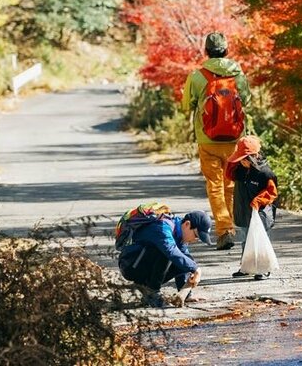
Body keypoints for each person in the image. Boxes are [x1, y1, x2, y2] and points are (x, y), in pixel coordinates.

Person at [182, 32, 251, 250]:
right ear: (226, 50)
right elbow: (247, 100)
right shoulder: (237, 74)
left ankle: (224, 230)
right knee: (230, 184)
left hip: (207, 139)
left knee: (214, 186)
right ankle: (229, 227)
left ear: (206, 51)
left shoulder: (197, 76)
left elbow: (186, 104)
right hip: (234, 139)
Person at [118, 210, 211, 308]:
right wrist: (196, 269)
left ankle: (149, 290)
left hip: (143, 262)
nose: (195, 240)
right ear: (187, 224)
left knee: (185, 260)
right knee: (169, 252)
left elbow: (184, 260)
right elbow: (171, 252)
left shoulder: (180, 234)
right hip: (131, 264)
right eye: (196, 235)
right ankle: (152, 292)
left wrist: (185, 292)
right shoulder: (163, 227)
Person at [225, 135, 279, 280]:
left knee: (260, 240)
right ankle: (246, 266)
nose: (242, 162)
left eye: (245, 159)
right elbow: (229, 175)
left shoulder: (265, 173)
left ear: (254, 156)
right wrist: (234, 162)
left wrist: (259, 200)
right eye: (240, 158)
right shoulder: (239, 169)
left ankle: (263, 269)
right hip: (243, 211)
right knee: (245, 240)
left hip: (260, 213)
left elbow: (272, 193)